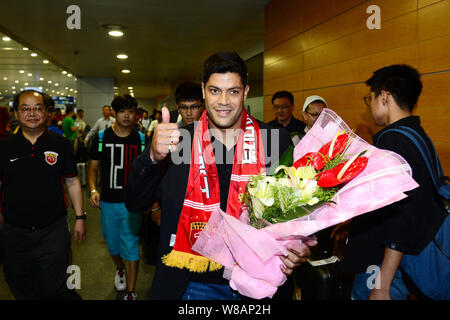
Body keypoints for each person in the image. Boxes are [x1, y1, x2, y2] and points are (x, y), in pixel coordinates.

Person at [124, 52, 313, 300]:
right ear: (203, 91)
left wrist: (301, 247)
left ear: (245, 92)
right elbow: (135, 202)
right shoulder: (177, 142)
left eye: (233, 91)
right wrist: (151, 157)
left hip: (259, 282)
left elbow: (299, 213)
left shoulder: (275, 141)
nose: (223, 101)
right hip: (191, 283)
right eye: (215, 90)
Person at [342, 65, 446, 300]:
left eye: (370, 99)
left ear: (384, 96)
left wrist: (382, 285)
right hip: (403, 261)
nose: (369, 108)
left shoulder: (392, 142)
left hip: (381, 266)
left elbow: (401, 217)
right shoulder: (418, 136)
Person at [0, 90, 86, 300]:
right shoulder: (4, 146)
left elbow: (72, 181)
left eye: (37, 108)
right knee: (19, 283)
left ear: (46, 112)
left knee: (53, 285)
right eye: (25, 108)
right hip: (14, 232)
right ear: (16, 112)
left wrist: (80, 218)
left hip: (52, 230)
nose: (32, 113)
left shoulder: (60, 144)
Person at [88, 94, 146, 301]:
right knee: (112, 243)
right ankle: (119, 268)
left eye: (131, 111)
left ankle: (131, 292)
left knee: (130, 244)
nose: (127, 116)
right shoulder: (102, 138)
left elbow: (148, 171)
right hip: (108, 201)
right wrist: (93, 189)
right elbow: (93, 167)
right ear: (114, 113)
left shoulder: (141, 139)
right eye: (122, 111)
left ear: (136, 115)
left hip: (132, 203)